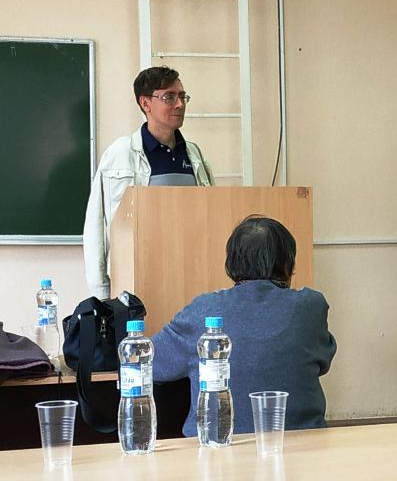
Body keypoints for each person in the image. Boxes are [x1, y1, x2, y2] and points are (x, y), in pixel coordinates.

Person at [152, 216, 337, 437]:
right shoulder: (311, 306)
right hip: (303, 446)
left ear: (231, 264)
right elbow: (323, 360)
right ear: (289, 264)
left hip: (219, 448)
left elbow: (151, 363)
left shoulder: (203, 310)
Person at [83, 66, 214, 299]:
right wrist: (101, 291)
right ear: (145, 103)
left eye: (182, 96)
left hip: (192, 273)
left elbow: (211, 215)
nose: (179, 104)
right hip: (137, 277)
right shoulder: (120, 154)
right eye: (169, 97)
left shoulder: (194, 154)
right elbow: (96, 225)